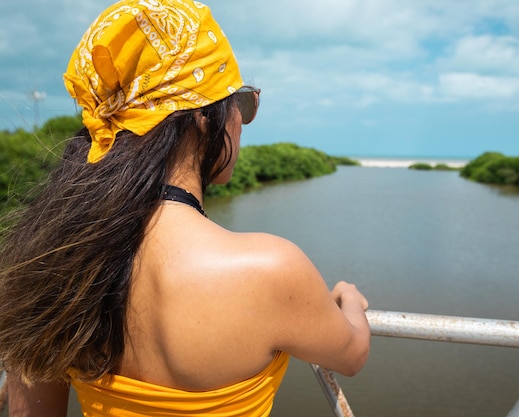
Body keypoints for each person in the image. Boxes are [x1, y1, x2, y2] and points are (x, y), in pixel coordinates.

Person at [0, 0, 370, 416]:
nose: (242, 123)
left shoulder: (52, 264)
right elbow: (352, 354)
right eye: (242, 105)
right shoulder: (271, 268)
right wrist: (349, 299)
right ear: (202, 117)